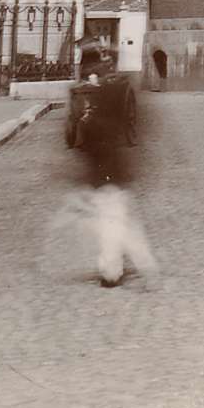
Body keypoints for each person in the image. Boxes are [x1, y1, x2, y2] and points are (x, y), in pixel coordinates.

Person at [71, 40, 157, 289]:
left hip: (108, 166)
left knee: (113, 221)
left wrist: (88, 121)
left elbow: (115, 124)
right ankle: (125, 266)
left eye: (105, 62)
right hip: (111, 165)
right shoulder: (109, 87)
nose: (99, 67)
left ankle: (117, 270)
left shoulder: (111, 89)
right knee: (115, 219)